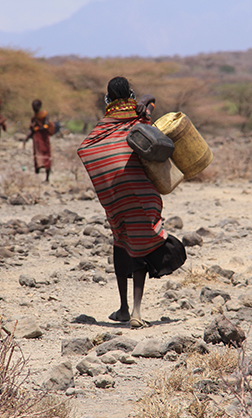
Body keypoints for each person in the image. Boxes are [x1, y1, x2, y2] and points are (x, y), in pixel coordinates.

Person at [77, 76, 186, 328]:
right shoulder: (140, 118)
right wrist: (146, 99)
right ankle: (136, 311)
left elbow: (86, 149)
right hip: (143, 194)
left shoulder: (103, 126)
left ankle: (124, 308)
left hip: (116, 199)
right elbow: (151, 104)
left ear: (108, 99)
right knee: (142, 246)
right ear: (131, 94)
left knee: (121, 242)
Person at [25, 99, 56, 181]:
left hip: (44, 138)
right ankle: (37, 177)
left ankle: (47, 177)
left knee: (46, 155)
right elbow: (31, 129)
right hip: (37, 139)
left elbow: (45, 126)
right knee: (37, 155)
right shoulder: (35, 117)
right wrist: (26, 139)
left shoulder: (45, 115)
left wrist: (37, 128)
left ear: (39, 106)